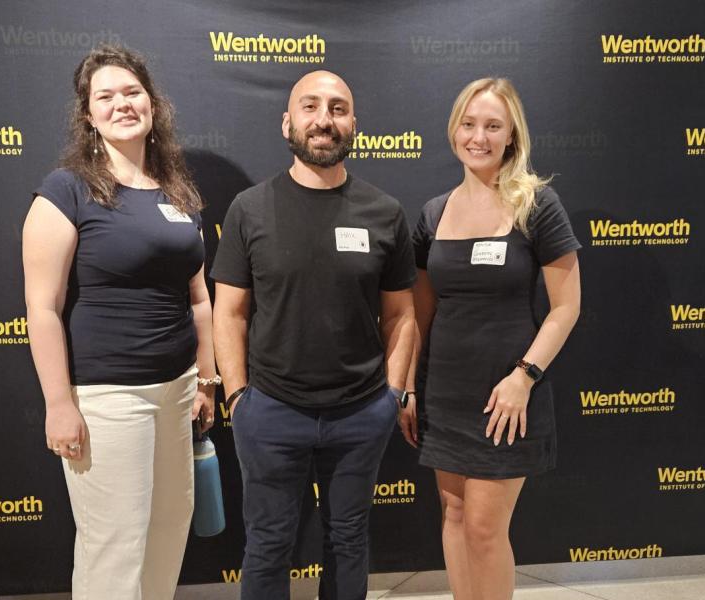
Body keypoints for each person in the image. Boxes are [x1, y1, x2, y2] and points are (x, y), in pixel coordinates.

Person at [21, 44, 219, 600]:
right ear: (88, 114)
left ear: (153, 103)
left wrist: (206, 380)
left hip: (177, 391)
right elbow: (42, 308)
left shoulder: (177, 191)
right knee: (115, 547)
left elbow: (198, 298)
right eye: (105, 96)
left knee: (168, 533)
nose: (122, 104)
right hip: (108, 399)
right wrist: (59, 404)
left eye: (132, 92)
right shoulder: (66, 190)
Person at [211, 70, 416, 600]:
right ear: (288, 123)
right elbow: (228, 313)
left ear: (353, 125)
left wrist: (393, 395)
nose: (324, 119)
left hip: (361, 411)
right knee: (268, 544)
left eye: (337, 108)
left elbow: (401, 315)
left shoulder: (384, 212)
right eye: (310, 106)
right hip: (270, 409)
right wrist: (237, 397)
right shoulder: (249, 209)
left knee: (348, 540)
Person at [400, 77, 582, 600]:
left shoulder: (537, 205)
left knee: (484, 528)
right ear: (454, 130)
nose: (478, 137)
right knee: (454, 516)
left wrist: (524, 378)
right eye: (469, 124)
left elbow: (566, 307)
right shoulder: (434, 213)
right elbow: (420, 313)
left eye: (492, 126)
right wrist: (409, 386)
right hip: (444, 393)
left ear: (511, 136)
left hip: (506, 397)